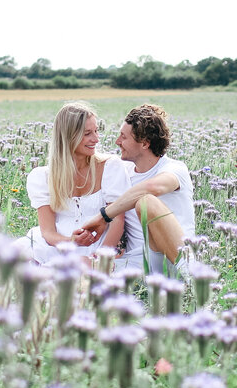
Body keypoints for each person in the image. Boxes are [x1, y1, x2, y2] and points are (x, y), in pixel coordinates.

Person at [76, 103, 193, 274]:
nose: (117, 142)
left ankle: (192, 278)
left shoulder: (174, 169)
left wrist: (104, 216)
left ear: (145, 144)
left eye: (123, 137)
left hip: (173, 259)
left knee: (146, 203)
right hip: (137, 262)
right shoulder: (123, 171)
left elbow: (152, 188)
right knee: (76, 269)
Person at [14, 101, 129, 264]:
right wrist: (71, 242)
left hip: (99, 248)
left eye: (96, 131)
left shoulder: (110, 167)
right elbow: (47, 232)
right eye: (87, 133)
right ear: (68, 136)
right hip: (56, 247)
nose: (96, 139)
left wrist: (98, 259)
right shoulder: (43, 176)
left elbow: (118, 219)